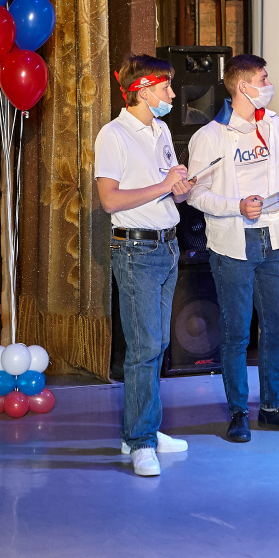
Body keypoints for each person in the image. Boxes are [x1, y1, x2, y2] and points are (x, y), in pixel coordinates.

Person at [186, 54, 279, 442]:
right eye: (263, 79)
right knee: (236, 332)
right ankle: (238, 412)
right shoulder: (209, 136)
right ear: (243, 86)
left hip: (272, 238)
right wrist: (236, 206)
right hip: (232, 244)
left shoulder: (274, 124)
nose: (268, 84)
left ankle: (272, 407)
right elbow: (195, 194)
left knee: (277, 326)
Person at [95, 54, 194, 477]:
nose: (172, 93)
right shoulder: (113, 134)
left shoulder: (162, 130)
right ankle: (140, 441)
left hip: (167, 246)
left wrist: (181, 188)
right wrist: (163, 185)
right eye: (165, 86)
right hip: (135, 250)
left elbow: (169, 191)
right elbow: (109, 200)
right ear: (144, 90)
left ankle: (143, 428)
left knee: (158, 345)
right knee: (144, 347)